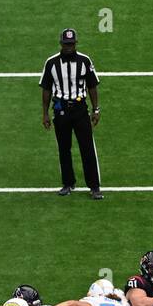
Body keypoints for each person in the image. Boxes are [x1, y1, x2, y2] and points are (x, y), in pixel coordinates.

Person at [40, 28, 102, 199]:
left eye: (71, 44)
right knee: (63, 148)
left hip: (80, 109)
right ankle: (68, 183)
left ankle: (94, 186)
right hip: (61, 110)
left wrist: (96, 109)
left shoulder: (84, 61)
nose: (69, 47)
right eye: (66, 44)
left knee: (87, 148)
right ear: (61, 43)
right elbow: (46, 89)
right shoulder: (51, 63)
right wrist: (45, 114)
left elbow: (92, 86)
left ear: (76, 43)